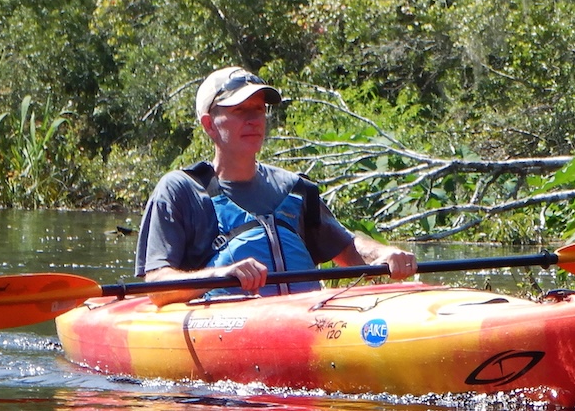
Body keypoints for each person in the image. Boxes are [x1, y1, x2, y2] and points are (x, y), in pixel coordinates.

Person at [136, 67, 417, 299]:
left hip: (304, 321)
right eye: (239, 110)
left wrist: (384, 253)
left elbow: (348, 251)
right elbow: (157, 286)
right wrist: (219, 275)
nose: (253, 120)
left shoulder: (294, 189)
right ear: (209, 124)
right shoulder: (180, 190)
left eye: (258, 110)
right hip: (228, 326)